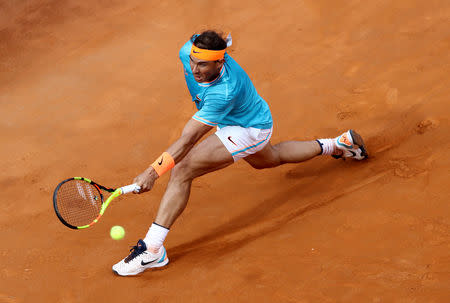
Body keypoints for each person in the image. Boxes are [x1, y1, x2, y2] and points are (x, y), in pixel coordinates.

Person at [112, 30, 368, 276]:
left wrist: (152, 172)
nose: (195, 70)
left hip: (248, 128)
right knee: (271, 159)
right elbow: (200, 44)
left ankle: (153, 249)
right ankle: (338, 144)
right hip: (247, 116)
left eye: (203, 65)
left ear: (220, 62)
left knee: (182, 169)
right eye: (193, 61)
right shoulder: (188, 51)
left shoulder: (224, 91)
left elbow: (189, 138)